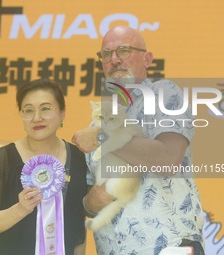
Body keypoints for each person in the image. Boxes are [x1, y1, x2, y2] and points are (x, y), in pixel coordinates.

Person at [72, 26, 205, 255]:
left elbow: (168, 160)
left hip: (169, 247)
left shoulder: (165, 95)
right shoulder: (96, 125)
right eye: (106, 54)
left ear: (147, 58)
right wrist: (91, 202)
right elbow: (88, 204)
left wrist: (104, 138)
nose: (114, 59)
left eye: (123, 50)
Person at [0, 78, 88, 255]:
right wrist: (21, 208)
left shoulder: (78, 158)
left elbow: (78, 227)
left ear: (62, 113)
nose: (36, 118)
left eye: (45, 108)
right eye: (28, 110)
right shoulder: (3, 159)